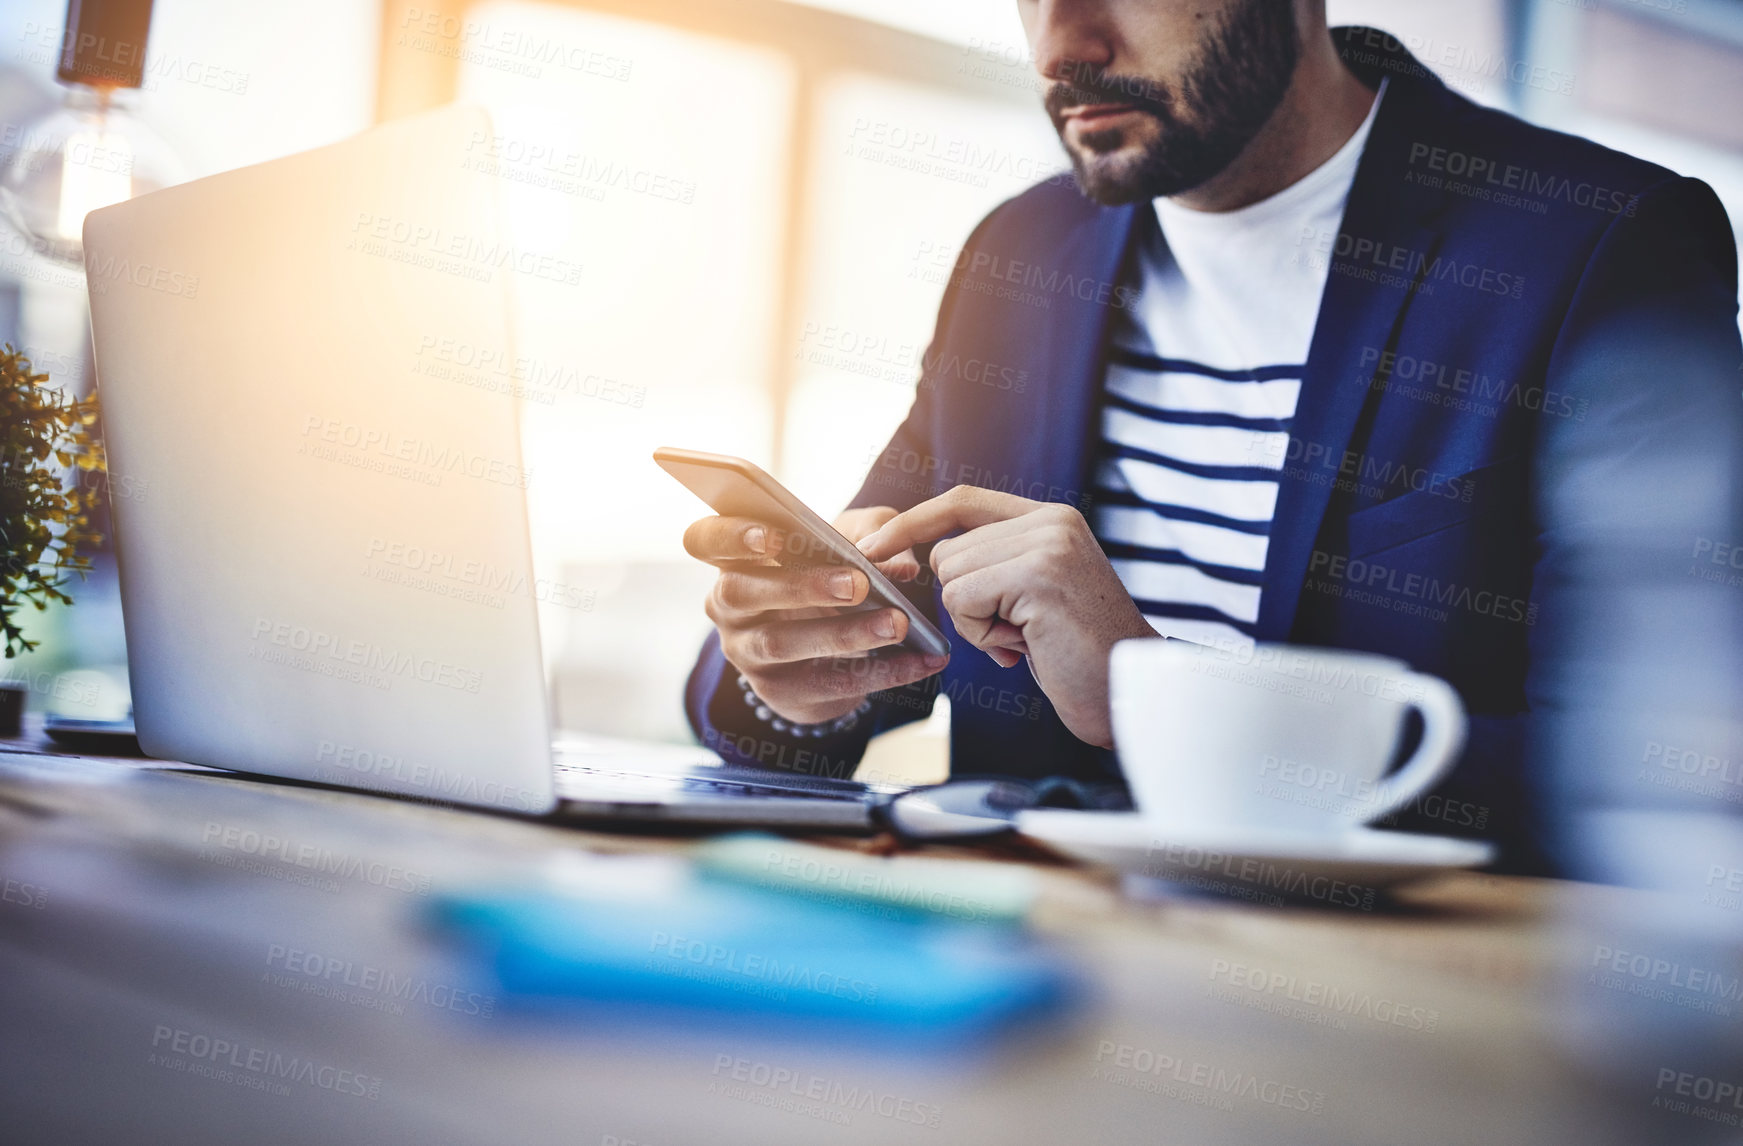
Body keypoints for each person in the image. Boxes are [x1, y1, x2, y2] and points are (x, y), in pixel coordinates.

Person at [680, 0, 1743, 872]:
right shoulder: (1020, 249)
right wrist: (796, 670)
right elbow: (846, 633)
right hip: (1007, 974)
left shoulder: (1599, 244)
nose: (1065, 44)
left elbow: (1651, 775)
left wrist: (1152, 692)